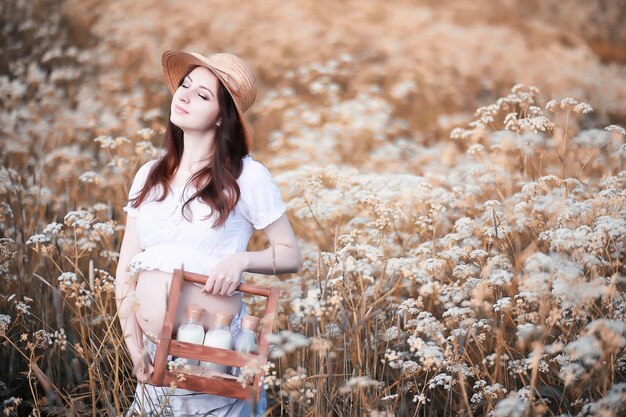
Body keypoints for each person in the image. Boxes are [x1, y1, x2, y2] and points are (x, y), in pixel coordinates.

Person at [115, 50, 303, 417]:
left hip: (217, 362)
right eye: (184, 86)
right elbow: (125, 272)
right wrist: (134, 348)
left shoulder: (246, 176)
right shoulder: (149, 174)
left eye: (202, 95)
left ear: (222, 118)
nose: (183, 96)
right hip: (156, 362)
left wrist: (242, 260)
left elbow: (291, 254)